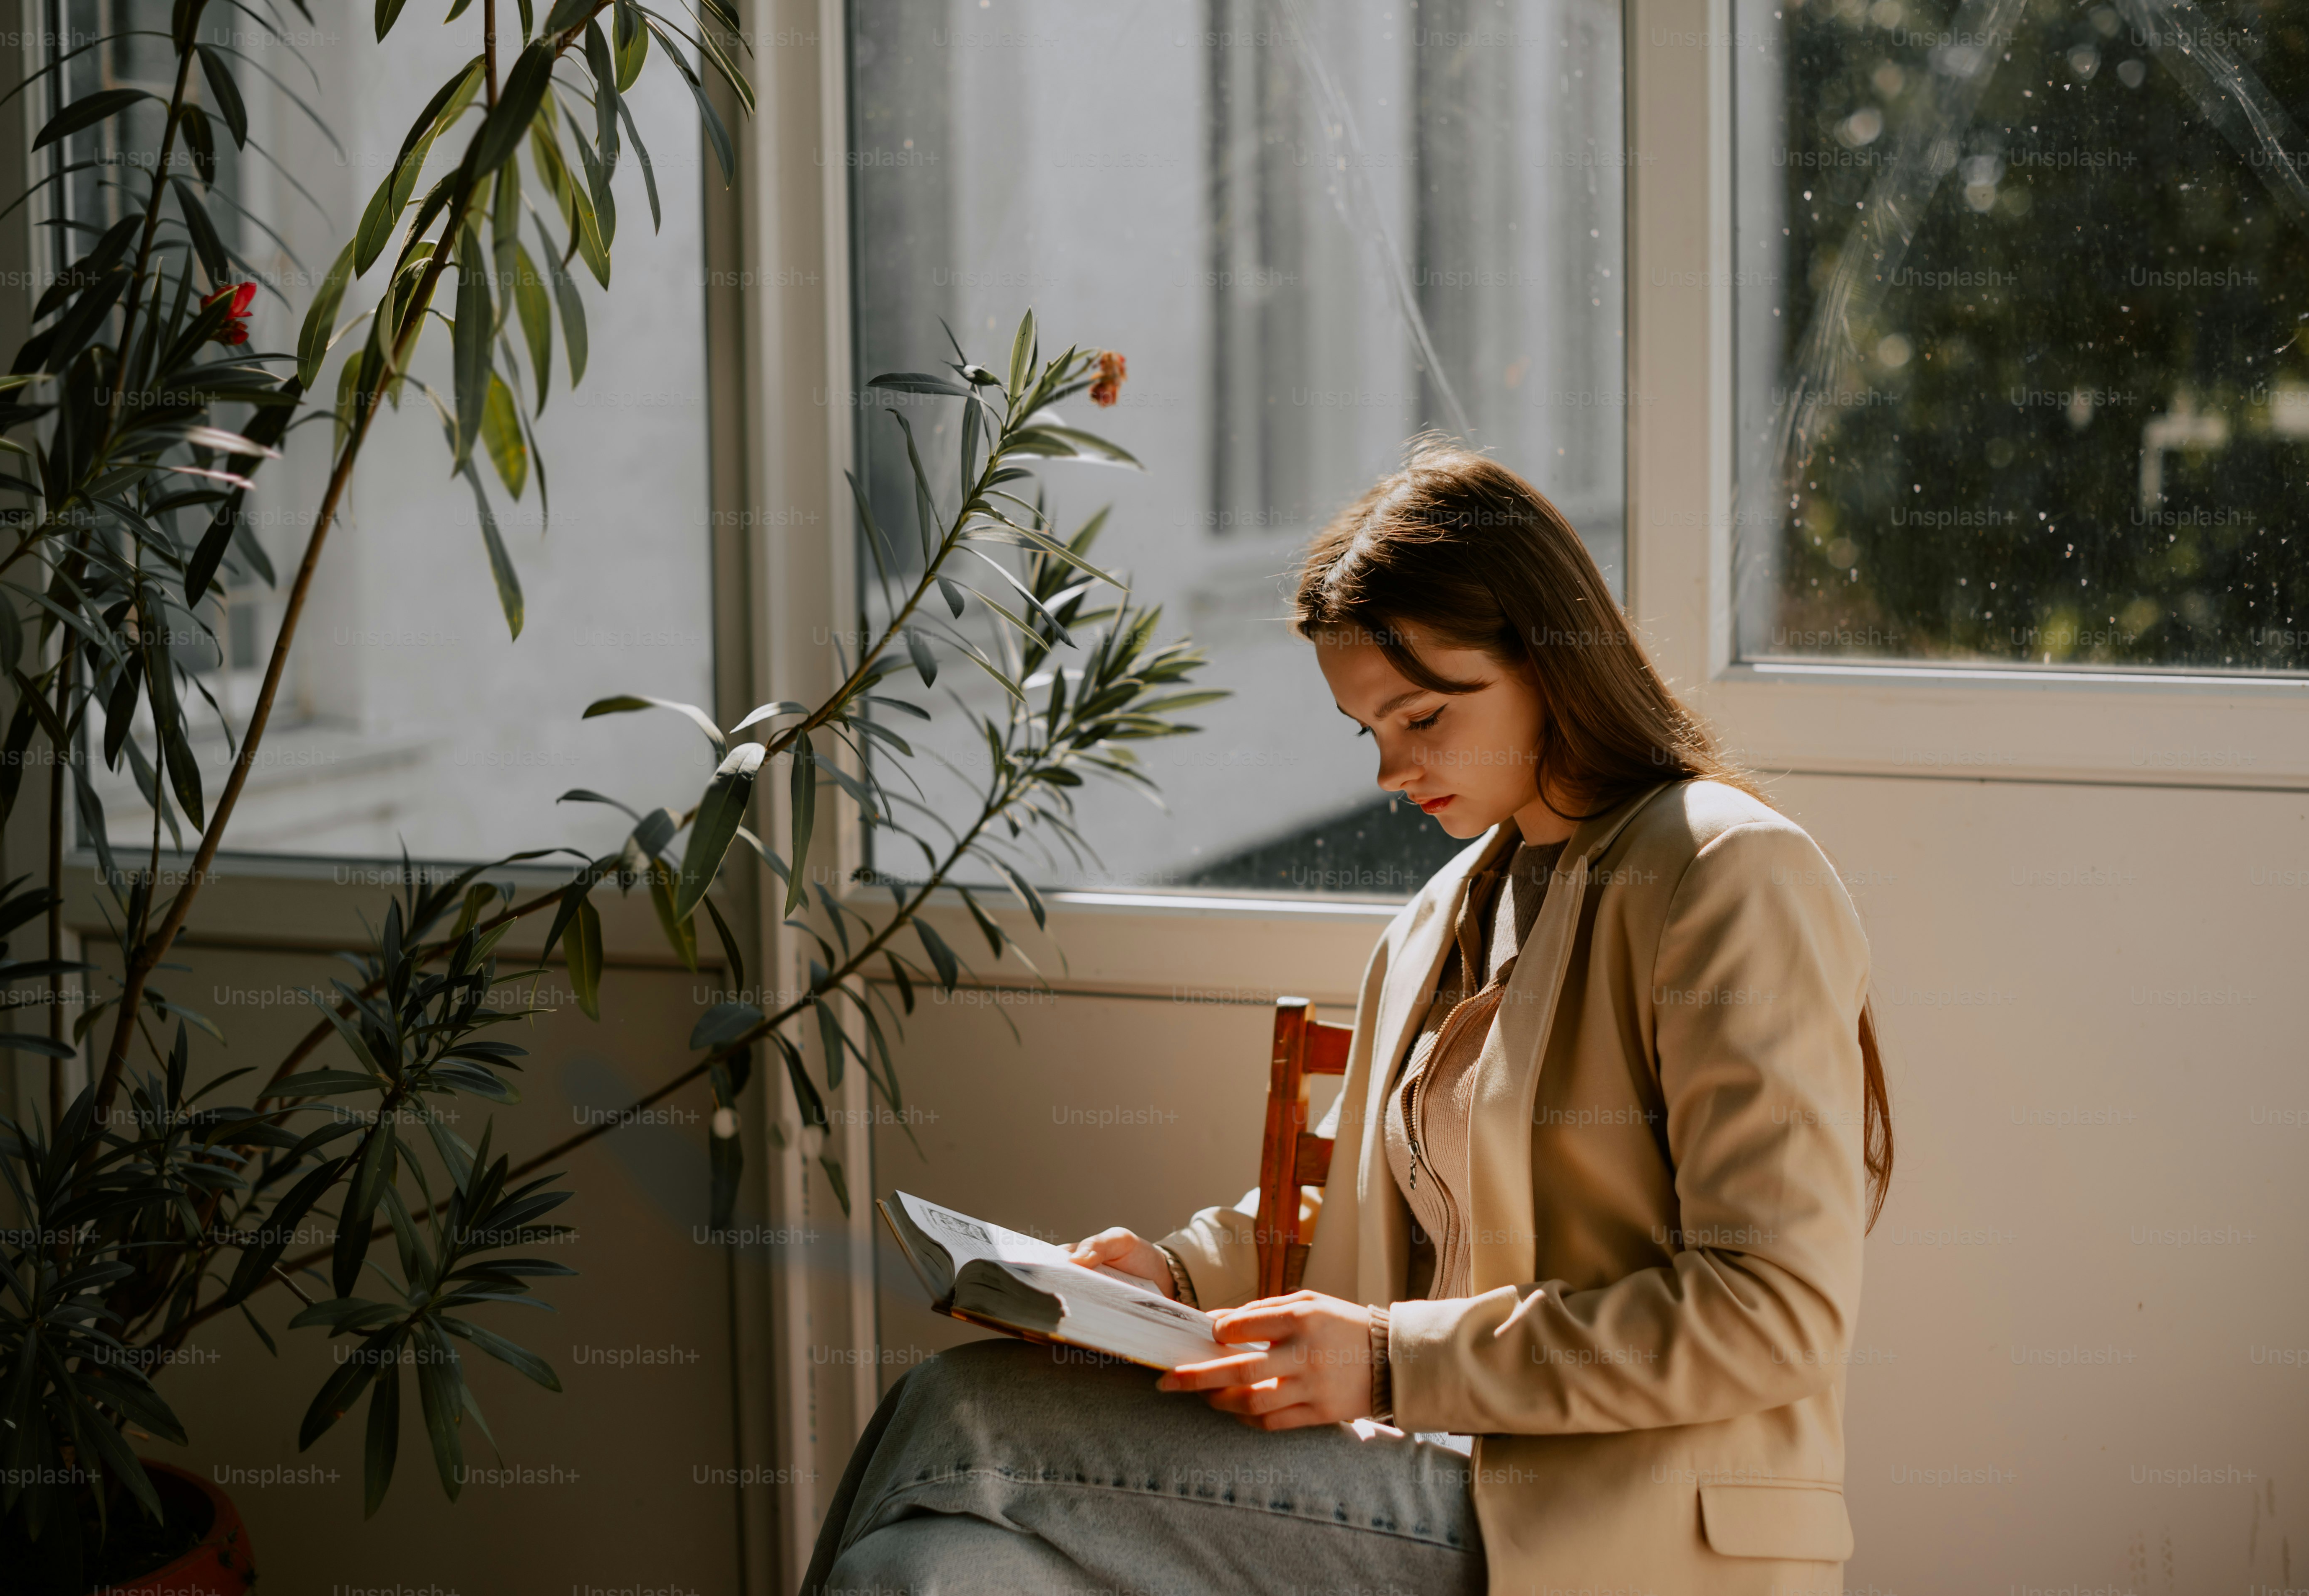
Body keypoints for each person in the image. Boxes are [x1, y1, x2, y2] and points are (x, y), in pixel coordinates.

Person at [801, 443, 1893, 1596]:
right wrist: (1169, 1277)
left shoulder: (1725, 868)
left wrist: (1384, 1361)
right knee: (931, 1561)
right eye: (1367, 729)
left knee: (962, 1411)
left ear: (1551, 654)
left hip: (1613, 1525)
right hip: (1420, 1477)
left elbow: (1773, 1311)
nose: (1391, 768)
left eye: (1420, 715)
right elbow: (1357, 1209)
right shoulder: (1441, 914)